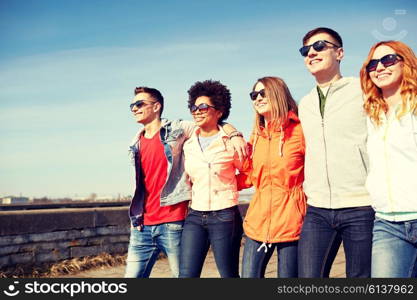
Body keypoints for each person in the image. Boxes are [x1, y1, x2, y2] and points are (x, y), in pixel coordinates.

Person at [125, 86, 246, 278]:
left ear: (156, 106)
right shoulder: (136, 142)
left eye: (139, 104)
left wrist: (234, 134)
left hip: (175, 220)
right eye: (132, 105)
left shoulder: (179, 129)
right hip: (145, 224)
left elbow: (215, 124)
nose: (134, 108)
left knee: (223, 275)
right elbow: (139, 183)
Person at [297, 27, 374, 278]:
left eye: (319, 46)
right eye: (305, 50)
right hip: (317, 208)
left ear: (339, 53)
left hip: (361, 204)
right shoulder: (305, 103)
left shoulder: (363, 89)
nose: (311, 53)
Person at [236, 76, 306, 278]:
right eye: (254, 95)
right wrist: (219, 178)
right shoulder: (256, 136)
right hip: (257, 222)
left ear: (278, 94)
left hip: (291, 222)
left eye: (263, 93)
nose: (257, 98)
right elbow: (249, 176)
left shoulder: (299, 131)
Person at [359, 40, 417, 278]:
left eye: (388, 60)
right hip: (387, 224)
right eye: (373, 63)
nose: (379, 67)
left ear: (406, 63)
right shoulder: (371, 113)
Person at [179, 80, 244, 278]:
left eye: (203, 107)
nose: (197, 111)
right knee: (186, 275)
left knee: (228, 275)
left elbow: (250, 172)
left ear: (219, 111)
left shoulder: (232, 143)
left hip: (224, 215)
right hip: (195, 216)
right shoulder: (187, 144)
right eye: (193, 107)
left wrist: (231, 185)